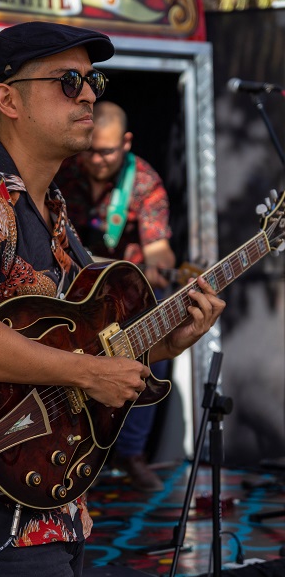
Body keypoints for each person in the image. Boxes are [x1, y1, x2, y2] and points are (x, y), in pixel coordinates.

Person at [0, 21, 224, 577]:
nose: (90, 93)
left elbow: (89, 349)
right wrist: (85, 374)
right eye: (68, 81)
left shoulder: (52, 212)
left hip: (53, 506)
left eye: (93, 79)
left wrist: (169, 340)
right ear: (8, 99)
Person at [55, 101, 176, 492]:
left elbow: (158, 248)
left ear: (126, 143)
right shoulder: (65, 168)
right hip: (71, 292)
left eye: (106, 150)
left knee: (155, 336)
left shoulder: (143, 181)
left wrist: (160, 265)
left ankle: (132, 455)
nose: (96, 158)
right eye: (90, 148)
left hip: (125, 295)